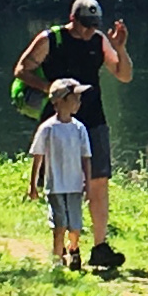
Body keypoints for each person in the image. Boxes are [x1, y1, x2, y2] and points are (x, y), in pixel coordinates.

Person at [15, 0, 134, 255]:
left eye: (93, 24)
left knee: (99, 180)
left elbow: (124, 76)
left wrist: (120, 48)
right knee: (67, 183)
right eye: (84, 24)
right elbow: (22, 70)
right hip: (61, 120)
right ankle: (69, 245)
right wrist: (51, 89)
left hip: (93, 118)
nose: (88, 30)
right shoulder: (51, 39)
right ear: (72, 19)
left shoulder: (99, 40)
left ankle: (100, 246)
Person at [25, 79, 93, 273]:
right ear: (60, 101)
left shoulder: (79, 128)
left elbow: (86, 158)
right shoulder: (48, 128)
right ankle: (57, 261)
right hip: (55, 186)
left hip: (74, 186)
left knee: (75, 225)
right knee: (59, 224)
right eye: (75, 98)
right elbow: (38, 157)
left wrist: (87, 184)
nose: (79, 103)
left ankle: (73, 248)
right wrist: (32, 185)